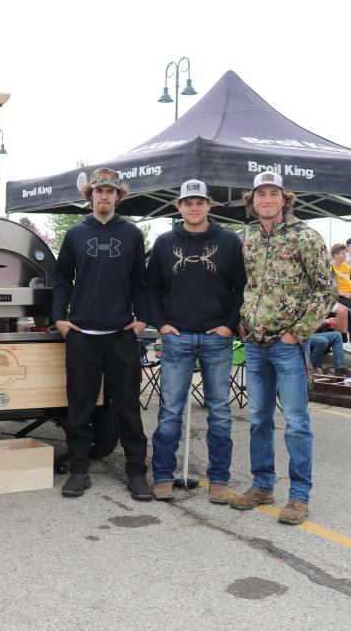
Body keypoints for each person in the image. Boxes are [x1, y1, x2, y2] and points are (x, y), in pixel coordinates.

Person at [229, 171, 336, 525]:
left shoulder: (306, 237)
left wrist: (298, 333)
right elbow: (248, 287)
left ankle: (298, 496)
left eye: (274, 193)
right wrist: (243, 325)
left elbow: (326, 289)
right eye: (261, 194)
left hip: (287, 345)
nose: (267, 200)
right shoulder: (251, 242)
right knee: (259, 418)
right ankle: (262, 484)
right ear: (252, 201)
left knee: (296, 423)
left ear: (284, 199)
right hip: (255, 344)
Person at [52, 167, 151, 501]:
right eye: (98, 192)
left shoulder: (132, 235)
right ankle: (79, 470)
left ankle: (137, 473)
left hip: (121, 335)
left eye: (110, 192)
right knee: (79, 408)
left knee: (127, 409)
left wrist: (142, 320)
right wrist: (59, 319)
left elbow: (141, 281)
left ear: (118, 196)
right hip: (82, 334)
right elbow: (62, 279)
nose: (104, 197)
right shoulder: (76, 234)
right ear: (90, 196)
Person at [146, 179, 245, 503]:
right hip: (176, 339)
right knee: (171, 410)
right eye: (187, 202)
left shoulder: (230, 242)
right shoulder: (163, 243)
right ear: (179, 207)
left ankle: (219, 480)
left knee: (219, 411)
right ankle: (163, 475)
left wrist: (230, 326)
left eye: (199, 202)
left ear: (208, 205)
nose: (193, 207)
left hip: (216, 339)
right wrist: (161, 325)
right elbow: (151, 290)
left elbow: (241, 289)